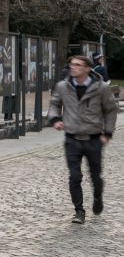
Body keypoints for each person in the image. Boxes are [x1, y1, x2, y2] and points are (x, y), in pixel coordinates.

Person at [50, 54, 117, 224]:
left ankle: (97, 197)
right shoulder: (63, 86)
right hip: (72, 138)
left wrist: (107, 133)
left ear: (87, 68)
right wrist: (55, 119)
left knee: (95, 175)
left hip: (94, 138)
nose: (73, 67)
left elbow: (110, 110)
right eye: (72, 64)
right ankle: (79, 211)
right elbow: (54, 104)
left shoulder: (101, 88)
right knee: (74, 176)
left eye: (78, 65)